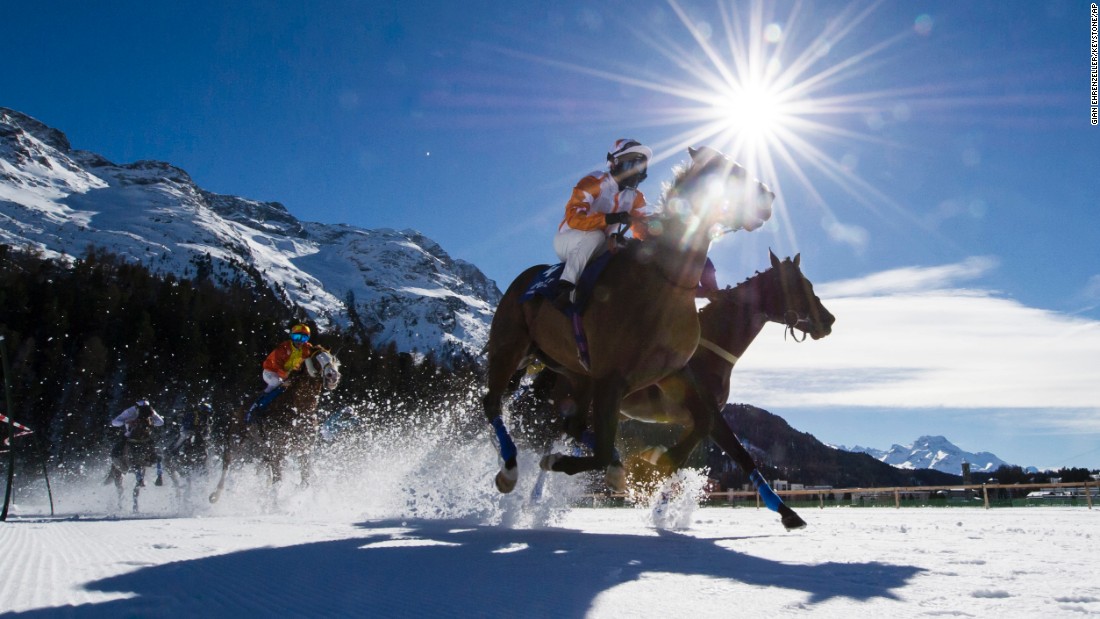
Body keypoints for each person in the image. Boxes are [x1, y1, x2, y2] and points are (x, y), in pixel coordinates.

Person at [552, 138, 653, 310]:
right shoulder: (593, 181)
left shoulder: (637, 198)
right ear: (614, 163)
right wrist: (609, 219)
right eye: (631, 165)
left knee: (628, 252)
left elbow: (642, 230)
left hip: (601, 246)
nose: (635, 173)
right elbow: (574, 217)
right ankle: (566, 288)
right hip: (569, 240)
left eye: (640, 167)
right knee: (596, 237)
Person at [246, 323, 315, 421]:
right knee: (276, 383)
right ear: (291, 337)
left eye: (303, 338)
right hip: (271, 371)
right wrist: (284, 380)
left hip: (287, 373)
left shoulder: (306, 348)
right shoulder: (283, 348)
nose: (299, 341)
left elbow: (313, 353)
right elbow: (277, 365)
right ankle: (256, 405)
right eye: (296, 337)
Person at [110, 399, 165, 486]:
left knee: (158, 451)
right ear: (137, 408)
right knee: (116, 451)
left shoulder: (151, 410)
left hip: (145, 436)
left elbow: (161, 422)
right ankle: (119, 464)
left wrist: (152, 420)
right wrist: (126, 421)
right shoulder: (130, 411)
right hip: (129, 435)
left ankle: (159, 474)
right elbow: (114, 422)